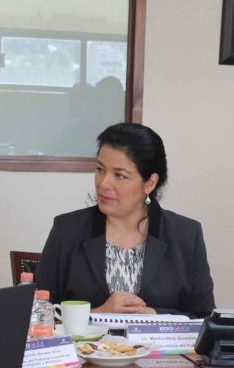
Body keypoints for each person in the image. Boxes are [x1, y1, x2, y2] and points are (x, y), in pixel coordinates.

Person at [34, 122, 215, 318]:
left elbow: (204, 317)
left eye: (119, 175)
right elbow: (38, 313)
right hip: (85, 340)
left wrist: (154, 316)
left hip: (160, 340)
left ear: (150, 183)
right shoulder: (67, 230)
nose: (104, 183)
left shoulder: (186, 235)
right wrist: (98, 314)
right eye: (100, 170)